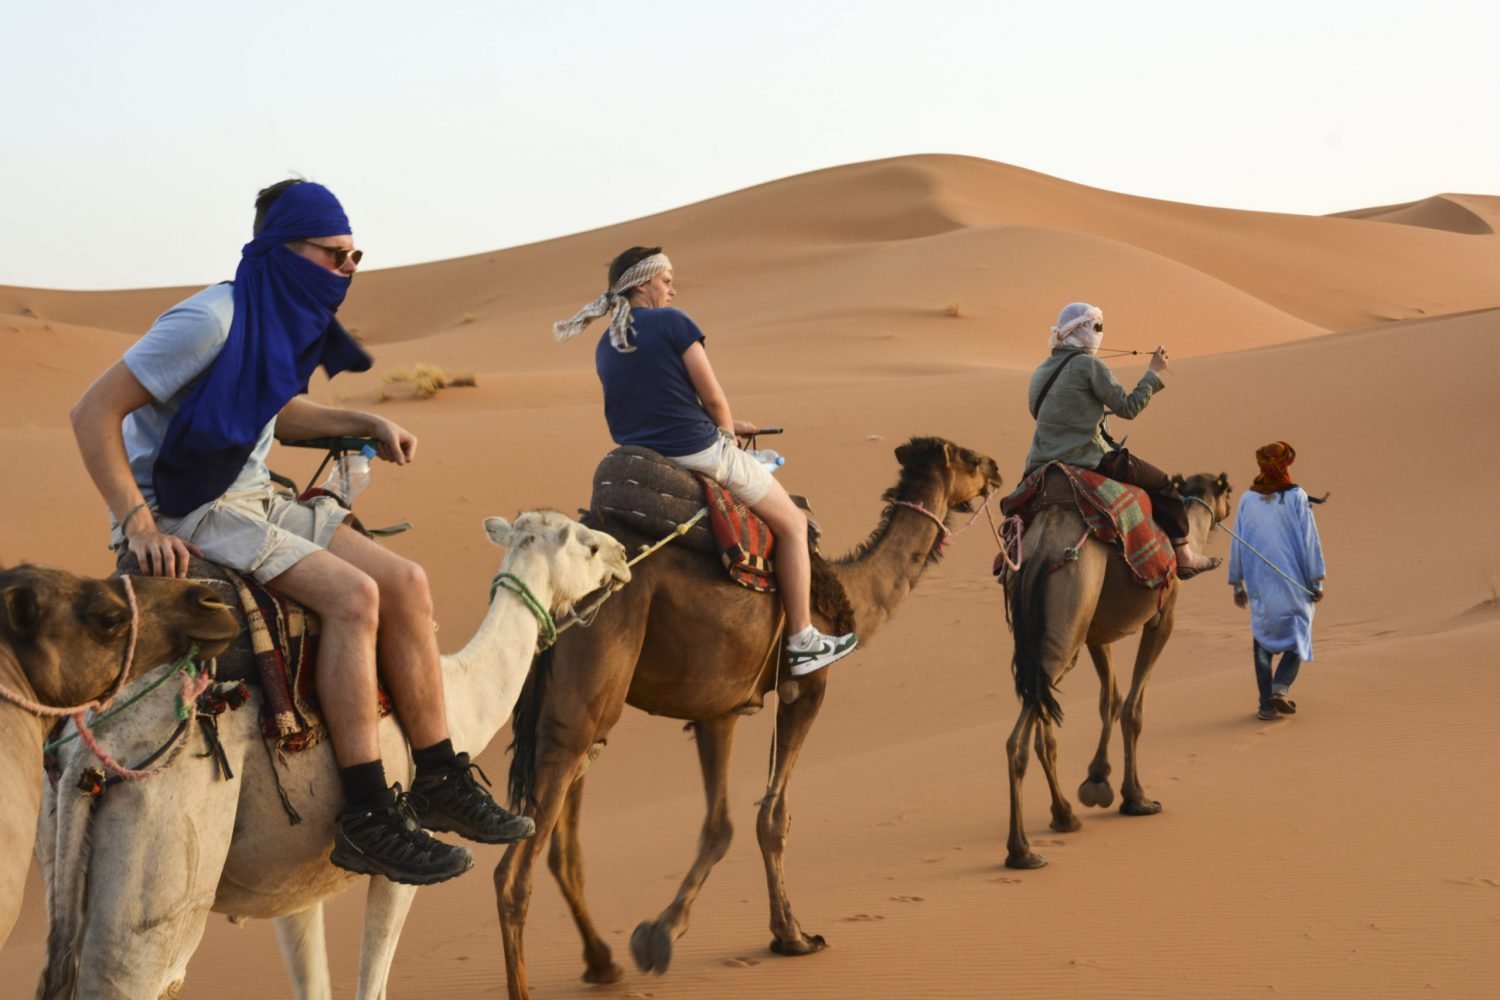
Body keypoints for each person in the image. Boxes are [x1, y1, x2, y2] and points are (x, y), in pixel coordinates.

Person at [70, 179, 533, 886]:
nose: (347, 271)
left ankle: (441, 776)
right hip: (190, 506)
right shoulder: (211, 320)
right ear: (286, 250)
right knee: (353, 598)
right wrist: (136, 520)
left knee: (406, 582)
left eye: (355, 257)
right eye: (336, 255)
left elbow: (276, 414)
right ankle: (369, 814)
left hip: (254, 497)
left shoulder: (278, 321)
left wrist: (365, 422)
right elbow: (91, 412)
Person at [553, 246, 857, 677]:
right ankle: (803, 639)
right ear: (643, 284)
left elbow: (657, 402)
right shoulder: (675, 323)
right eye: (666, 280)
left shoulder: (606, 343)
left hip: (643, 455)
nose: (672, 289)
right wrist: (726, 436)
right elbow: (714, 398)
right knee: (793, 524)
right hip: (699, 452)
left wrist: (727, 424)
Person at [1022, 302, 1220, 576]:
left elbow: (1037, 411)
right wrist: (1153, 372)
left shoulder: (1041, 371)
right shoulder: (1090, 365)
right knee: (1164, 486)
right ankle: (1185, 554)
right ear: (1081, 329)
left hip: (1041, 461)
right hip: (1088, 456)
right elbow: (1128, 408)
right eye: (1097, 327)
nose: (1101, 333)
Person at [1227, 441, 1326, 721]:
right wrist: (1316, 581)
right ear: (1285, 465)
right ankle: (1280, 688)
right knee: (1299, 634)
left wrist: (1238, 583)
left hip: (1260, 584)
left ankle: (1266, 706)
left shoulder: (1248, 499)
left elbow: (1237, 541)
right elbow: (1310, 540)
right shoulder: (1297, 497)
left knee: (1262, 640)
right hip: (1293, 582)